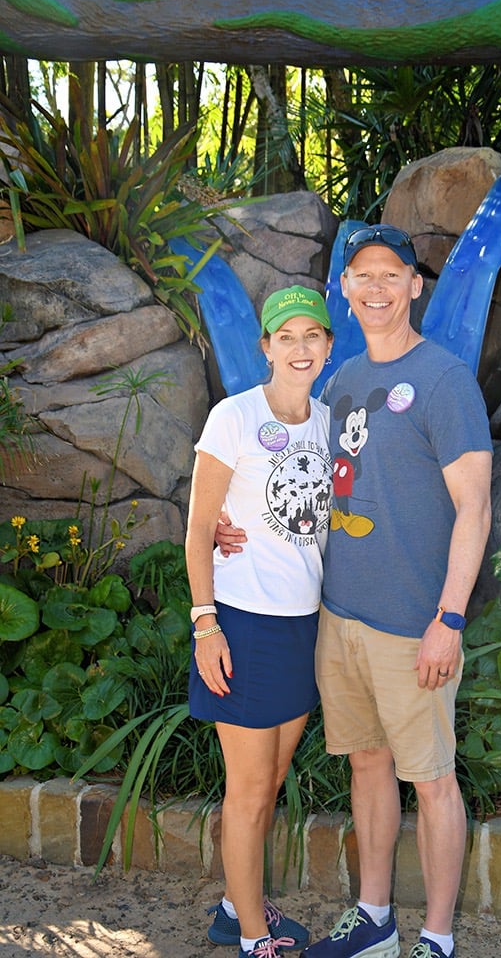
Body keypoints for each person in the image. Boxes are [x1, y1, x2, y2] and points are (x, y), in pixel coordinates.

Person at [218, 224, 493, 958]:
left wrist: (449, 617)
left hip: (414, 623)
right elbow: (283, 479)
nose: (375, 287)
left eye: (390, 274)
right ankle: (375, 918)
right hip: (337, 619)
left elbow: (475, 506)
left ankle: (436, 936)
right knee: (367, 765)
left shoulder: (443, 379)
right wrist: (222, 524)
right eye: (361, 275)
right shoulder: (335, 385)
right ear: (345, 289)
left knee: (431, 781)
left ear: (414, 286)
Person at [186, 285, 334, 958]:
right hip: (240, 624)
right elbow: (196, 532)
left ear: (328, 346)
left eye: (313, 335)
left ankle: (230, 906)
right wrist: (204, 623)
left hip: (304, 626)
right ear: (265, 347)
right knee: (246, 791)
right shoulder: (232, 417)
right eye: (287, 336)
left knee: (269, 782)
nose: (300, 349)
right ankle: (253, 938)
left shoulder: (331, 422)